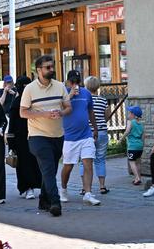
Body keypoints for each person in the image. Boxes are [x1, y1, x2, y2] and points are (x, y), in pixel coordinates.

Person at [20, 55, 72, 217]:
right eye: (48, 67)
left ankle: (43, 199)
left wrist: (61, 112)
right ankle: (55, 203)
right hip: (37, 136)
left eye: (52, 66)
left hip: (57, 135)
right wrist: (44, 114)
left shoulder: (60, 86)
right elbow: (23, 112)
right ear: (39, 70)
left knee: (50, 170)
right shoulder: (29, 89)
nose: (51, 70)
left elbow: (68, 107)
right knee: (49, 169)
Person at [60, 71, 101, 206]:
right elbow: (58, 109)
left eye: (77, 81)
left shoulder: (86, 93)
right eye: (72, 82)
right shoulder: (63, 92)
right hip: (70, 137)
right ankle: (64, 189)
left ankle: (88, 193)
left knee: (88, 163)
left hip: (86, 135)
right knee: (68, 166)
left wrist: (95, 128)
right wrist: (69, 96)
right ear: (68, 82)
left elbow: (90, 111)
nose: (75, 84)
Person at [7, 76, 42, 199]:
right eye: (24, 86)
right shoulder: (16, 103)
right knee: (24, 164)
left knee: (36, 162)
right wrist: (11, 142)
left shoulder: (35, 101)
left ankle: (37, 185)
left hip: (35, 135)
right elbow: (12, 125)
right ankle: (27, 188)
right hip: (20, 139)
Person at [81, 76, 110, 194]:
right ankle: (102, 186)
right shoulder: (103, 100)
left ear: (86, 86)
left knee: (85, 160)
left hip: (87, 133)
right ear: (98, 87)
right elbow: (107, 116)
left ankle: (85, 188)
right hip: (101, 131)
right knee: (100, 159)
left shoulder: (84, 100)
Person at [119, 105, 144, 185]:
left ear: (133, 115)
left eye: (129, 113)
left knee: (132, 162)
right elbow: (143, 137)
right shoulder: (141, 125)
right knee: (138, 162)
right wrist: (142, 145)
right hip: (140, 146)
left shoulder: (131, 122)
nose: (128, 114)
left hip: (132, 146)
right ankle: (139, 177)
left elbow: (127, 131)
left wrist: (121, 139)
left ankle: (136, 178)